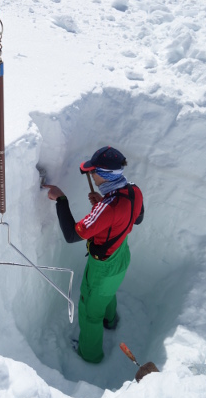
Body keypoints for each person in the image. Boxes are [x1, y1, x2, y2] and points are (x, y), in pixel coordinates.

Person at [44, 146, 144, 364]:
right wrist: (105, 208)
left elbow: (72, 235)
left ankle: (90, 355)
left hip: (103, 267)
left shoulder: (107, 208)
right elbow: (136, 218)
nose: (91, 175)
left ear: (104, 175)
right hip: (121, 254)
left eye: (93, 172)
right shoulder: (133, 191)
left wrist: (62, 199)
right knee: (108, 292)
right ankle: (111, 321)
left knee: (90, 310)